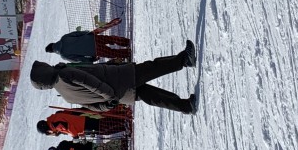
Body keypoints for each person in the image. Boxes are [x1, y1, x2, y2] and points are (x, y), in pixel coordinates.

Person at [29, 42, 198, 114]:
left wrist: (109, 103)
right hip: (121, 79)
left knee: (153, 97)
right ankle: (184, 59)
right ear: (45, 72)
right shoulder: (64, 74)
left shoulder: (66, 96)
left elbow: (93, 107)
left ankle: (186, 106)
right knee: (153, 67)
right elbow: (90, 82)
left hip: (122, 95)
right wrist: (109, 94)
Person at [46, 21, 131, 63]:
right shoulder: (64, 38)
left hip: (94, 50)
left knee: (111, 53)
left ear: (54, 51)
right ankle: (126, 42)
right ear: (53, 43)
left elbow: (79, 59)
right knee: (110, 39)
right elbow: (77, 33)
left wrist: (91, 59)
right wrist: (88, 34)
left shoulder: (64, 55)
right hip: (91, 38)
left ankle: (127, 53)